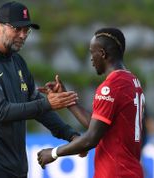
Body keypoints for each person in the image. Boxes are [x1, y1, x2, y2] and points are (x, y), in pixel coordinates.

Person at [0, 1, 80, 178]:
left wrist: (71, 135)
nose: (23, 35)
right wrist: (47, 103)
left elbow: (35, 104)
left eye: (27, 30)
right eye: (17, 29)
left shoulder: (17, 62)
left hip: (14, 163)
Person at [37, 27, 145, 178]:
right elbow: (97, 126)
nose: (91, 59)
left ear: (102, 53)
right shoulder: (132, 81)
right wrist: (68, 100)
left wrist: (54, 153)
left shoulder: (111, 86)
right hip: (131, 170)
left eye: (91, 52)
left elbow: (91, 138)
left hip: (115, 173)